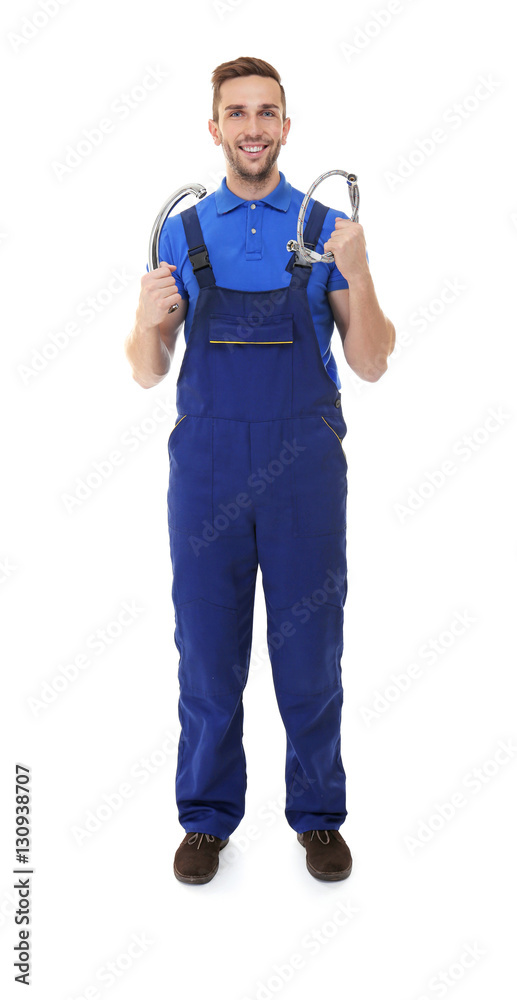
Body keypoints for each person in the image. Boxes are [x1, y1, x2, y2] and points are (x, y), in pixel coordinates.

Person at [124, 56, 395, 885]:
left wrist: (359, 271)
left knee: (310, 652)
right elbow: (146, 371)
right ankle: (206, 819)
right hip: (205, 466)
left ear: (285, 125)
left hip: (303, 466)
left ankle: (318, 816)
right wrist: (146, 322)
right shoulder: (181, 232)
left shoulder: (325, 226)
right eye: (236, 113)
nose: (252, 127)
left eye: (265, 112)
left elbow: (371, 361)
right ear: (215, 128)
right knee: (207, 654)